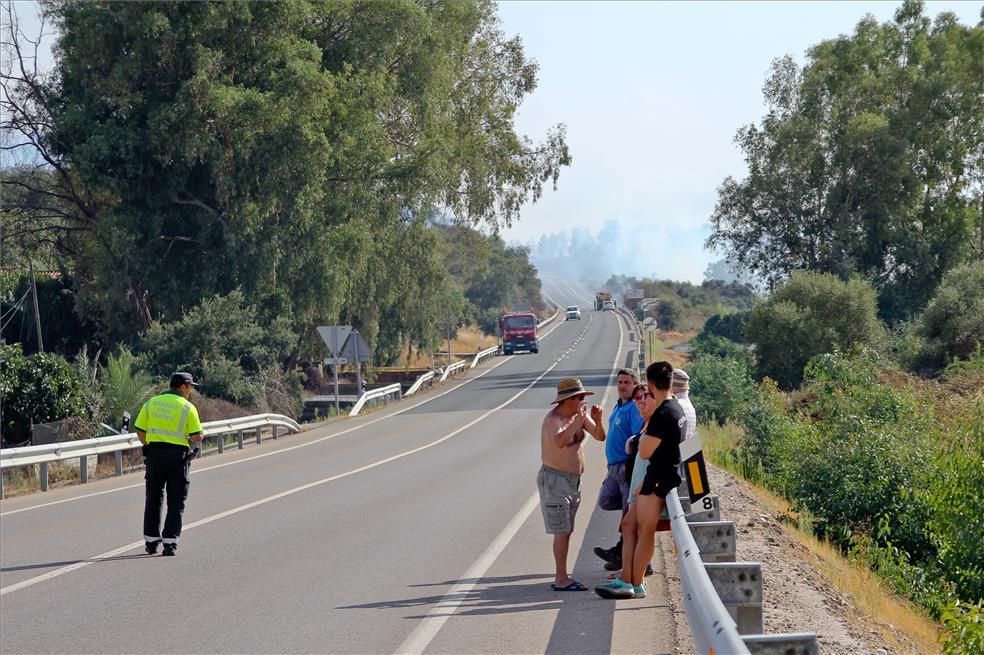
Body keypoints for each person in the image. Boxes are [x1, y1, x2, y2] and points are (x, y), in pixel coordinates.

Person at [595, 362, 684, 599]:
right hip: (656, 479)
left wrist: (642, 441)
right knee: (628, 526)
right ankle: (630, 580)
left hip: (656, 481)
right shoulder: (675, 408)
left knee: (644, 531)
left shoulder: (663, 413)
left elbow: (644, 450)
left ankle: (633, 584)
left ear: (651, 385)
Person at [538, 377, 606, 591]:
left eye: (584, 397)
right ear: (569, 399)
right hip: (555, 480)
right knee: (562, 529)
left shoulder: (580, 416)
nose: (583, 401)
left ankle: (562, 576)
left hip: (573, 481)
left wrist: (597, 419)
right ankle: (560, 579)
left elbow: (599, 436)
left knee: (567, 530)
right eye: (580, 397)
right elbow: (558, 442)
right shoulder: (554, 419)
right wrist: (576, 423)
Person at [135, 372, 204, 556]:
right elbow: (197, 436)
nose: (191, 391)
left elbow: (140, 429)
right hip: (177, 458)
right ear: (183, 386)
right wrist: (197, 437)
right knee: (176, 500)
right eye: (190, 387)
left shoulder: (152, 403)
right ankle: (170, 543)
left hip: (154, 455)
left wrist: (148, 446)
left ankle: (151, 542)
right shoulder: (188, 408)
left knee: (153, 498)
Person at [593, 369, 644, 571]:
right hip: (613, 468)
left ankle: (629, 558)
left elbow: (637, 438)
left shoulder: (633, 408)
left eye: (627, 382)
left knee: (628, 517)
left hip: (625, 467)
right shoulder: (619, 405)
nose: (623, 385)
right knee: (606, 501)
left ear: (635, 385)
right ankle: (622, 551)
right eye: (620, 382)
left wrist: (632, 468)